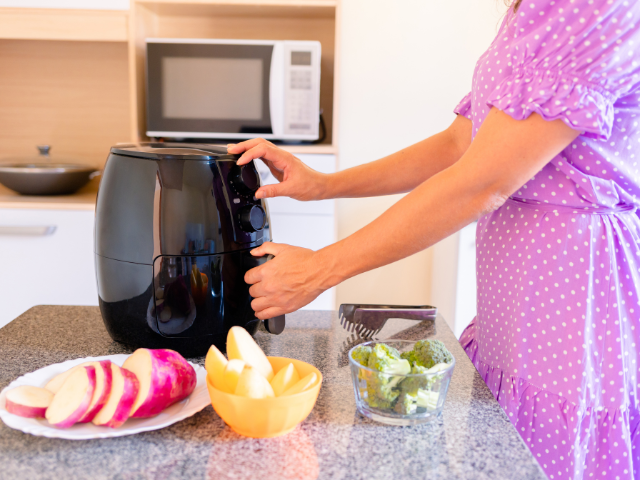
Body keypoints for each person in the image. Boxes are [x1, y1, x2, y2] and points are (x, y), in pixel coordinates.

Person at [228, 0, 640, 478]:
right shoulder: (532, 10)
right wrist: (325, 184)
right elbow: (459, 146)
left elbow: (483, 181)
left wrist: (321, 268)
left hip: (571, 299)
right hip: (519, 299)